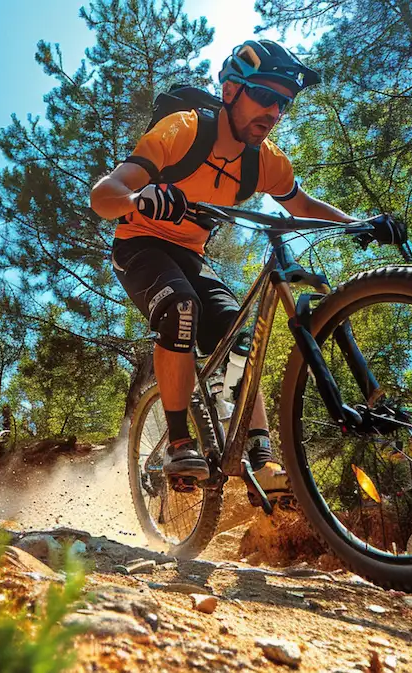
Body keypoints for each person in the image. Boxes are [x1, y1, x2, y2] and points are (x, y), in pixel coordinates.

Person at [89, 39, 368, 501]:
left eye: (284, 102)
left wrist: (357, 223)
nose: (275, 111)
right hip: (140, 245)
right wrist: (139, 198)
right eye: (265, 96)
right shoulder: (182, 130)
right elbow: (105, 192)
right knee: (181, 307)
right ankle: (178, 443)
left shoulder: (267, 161)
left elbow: (302, 205)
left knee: (243, 340)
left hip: (191, 256)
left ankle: (262, 455)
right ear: (232, 89)